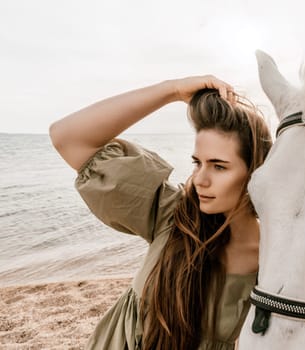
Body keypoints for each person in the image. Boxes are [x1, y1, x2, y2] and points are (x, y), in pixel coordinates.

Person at [49, 75, 273, 349]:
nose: (200, 179)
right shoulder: (174, 215)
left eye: (218, 166)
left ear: (256, 172)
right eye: (197, 163)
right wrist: (173, 91)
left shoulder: (274, 261)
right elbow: (68, 138)